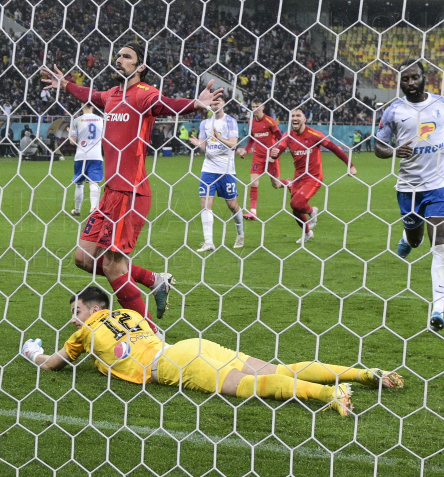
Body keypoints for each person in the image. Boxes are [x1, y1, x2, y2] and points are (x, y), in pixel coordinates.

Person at [41, 42, 222, 325]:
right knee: (83, 259)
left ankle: (150, 334)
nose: (119, 59)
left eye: (127, 57)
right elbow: (90, 93)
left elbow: (165, 105)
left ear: (141, 67)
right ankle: (154, 279)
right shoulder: (112, 95)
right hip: (110, 192)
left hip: (131, 192)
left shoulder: (144, 94)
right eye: (118, 55)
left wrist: (195, 104)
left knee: (113, 267)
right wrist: (65, 84)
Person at [20, 286, 405, 417]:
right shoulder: (128, 312)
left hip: (174, 363)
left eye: (76, 311)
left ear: (90, 308)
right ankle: (363, 373)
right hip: (191, 344)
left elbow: (52, 366)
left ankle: (329, 394)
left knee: (256, 387)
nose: (73, 318)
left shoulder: (84, 332)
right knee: (279, 368)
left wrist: (31, 350)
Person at [375, 60, 444, 332]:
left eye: (415, 78)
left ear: (425, 78)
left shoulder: (442, 104)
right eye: (405, 79)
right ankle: (407, 237)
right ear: (400, 83)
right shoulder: (393, 111)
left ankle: (438, 309)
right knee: (415, 240)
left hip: (441, 182)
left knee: (440, 243)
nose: (410, 83)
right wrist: (393, 152)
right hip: (409, 185)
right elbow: (378, 145)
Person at [270, 109, 357, 244]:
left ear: (305, 119)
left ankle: (312, 211)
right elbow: (279, 149)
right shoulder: (288, 136)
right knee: (296, 210)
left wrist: (350, 165)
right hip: (298, 177)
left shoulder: (314, 134)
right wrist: (275, 153)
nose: (295, 118)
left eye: (298, 115)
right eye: (292, 116)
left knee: (296, 203)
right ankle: (308, 233)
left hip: (313, 177)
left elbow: (334, 148)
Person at [188, 97, 244, 251]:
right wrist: (199, 144)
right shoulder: (204, 123)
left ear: (223, 103)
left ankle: (240, 234)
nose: (215, 105)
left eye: (217, 102)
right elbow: (204, 147)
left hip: (226, 170)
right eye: (212, 103)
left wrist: (219, 138)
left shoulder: (230, 121)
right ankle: (209, 242)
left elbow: (234, 145)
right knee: (205, 203)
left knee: (232, 205)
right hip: (208, 169)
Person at [238, 101, 286, 220]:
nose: (255, 109)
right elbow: (251, 139)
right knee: (253, 182)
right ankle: (253, 212)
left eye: (257, 106)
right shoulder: (251, 122)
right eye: (253, 107)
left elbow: (281, 137)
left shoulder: (270, 121)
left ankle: (289, 184)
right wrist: (246, 150)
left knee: (276, 184)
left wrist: (276, 152)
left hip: (271, 157)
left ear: (262, 107)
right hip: (258, 156)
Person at [68, 103, 105, 217]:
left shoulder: (77, 120)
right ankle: (93, 208)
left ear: (81, 105)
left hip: (81, 156)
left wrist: (70, 133)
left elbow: (72, 141)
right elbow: (104, 139)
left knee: (79, 184)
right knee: (93, 182)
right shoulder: (101, 120)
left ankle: (77, 210)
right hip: (95, 155)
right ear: (94, 106)